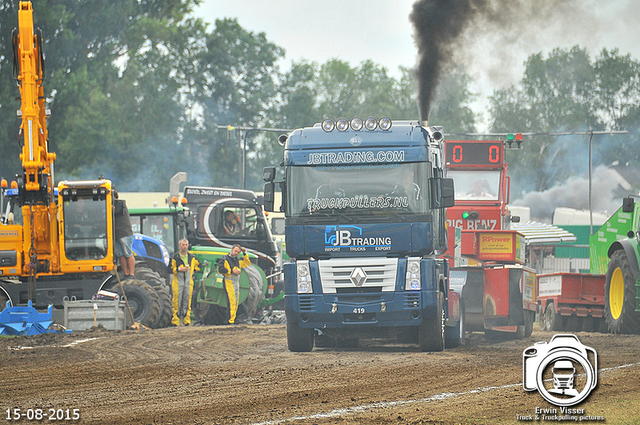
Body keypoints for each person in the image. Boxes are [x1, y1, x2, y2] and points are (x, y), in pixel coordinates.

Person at [169, 238, 201, 326]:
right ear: (179, 246)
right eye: (183, 245)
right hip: (178, 281)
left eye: (186, 245)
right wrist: (179, 269)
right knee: (177, 300)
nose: (185, 246)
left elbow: (200, 265)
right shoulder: (175, 257)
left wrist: (194, 270)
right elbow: (169, 269)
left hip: (188, 281)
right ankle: (175, 320)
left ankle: (186, 320)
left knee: (187, 300)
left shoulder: (191, 257)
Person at [218, 244, 251, 324]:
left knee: (236, 300)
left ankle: (233, 318)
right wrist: (232, 271)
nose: (236, 253)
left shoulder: (237, 260)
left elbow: (247, 263)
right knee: (231, 300)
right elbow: (220, 270)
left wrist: (244, 253)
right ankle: (229, 320)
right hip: (228, 281)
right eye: (235, 251)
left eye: (238, 252)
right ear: (232, 250)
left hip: (236, 281)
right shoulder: (224, 259)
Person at [114, 191, 135, 279]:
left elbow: (113, 210)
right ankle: (126, 274)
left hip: (124, 233)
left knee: (127, 253)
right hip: (116, 234)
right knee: (120, 255)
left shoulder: (120, 204)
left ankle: (131, 273)